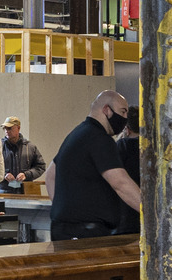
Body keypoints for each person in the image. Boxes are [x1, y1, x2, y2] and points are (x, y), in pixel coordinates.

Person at [49, 89, 144, 240]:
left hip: (65, 229)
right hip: (85, 233)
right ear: (107, 110)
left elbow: (50, 175)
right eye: (123, 112)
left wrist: (65, 211)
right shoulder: (100, 139)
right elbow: (120, 182)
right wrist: (152, 214)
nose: (125, 119)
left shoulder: (77, 133)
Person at [0, 117, 45, 186]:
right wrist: (4, 175)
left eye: (9, 128)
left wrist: (26, 175)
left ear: (18, 128)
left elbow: (40, 166)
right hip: (4, 190)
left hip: (25, 191)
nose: (6, 131)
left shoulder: (30, 147)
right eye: (5, 128)